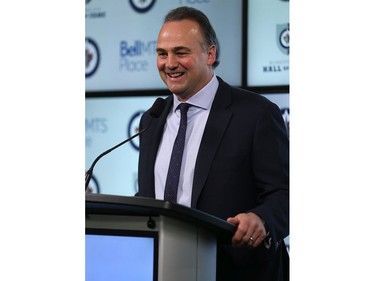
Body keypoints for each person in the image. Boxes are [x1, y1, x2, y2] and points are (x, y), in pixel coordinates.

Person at [137, 6, 289, 281]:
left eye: (181, 52)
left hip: (236, 273)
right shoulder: (152, 119)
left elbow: (285, 194)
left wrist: (261, 221)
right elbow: (151, 198)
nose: (169, 63)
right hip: (164, 270)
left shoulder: (256, 114)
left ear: (210, 54)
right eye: (162, 54)